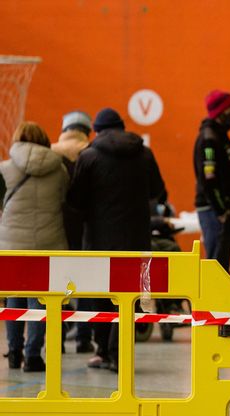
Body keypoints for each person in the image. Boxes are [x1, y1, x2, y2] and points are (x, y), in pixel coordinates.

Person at [67, 108, 166, 371]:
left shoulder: (88, 156)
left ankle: (104, 352)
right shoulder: (144, 153)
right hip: (136, 238)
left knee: (101, 296)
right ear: (122, 127)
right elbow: (158, 190)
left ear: (96, 130)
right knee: (129, 296)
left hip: (99, 240)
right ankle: (118, 352)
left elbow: (74, 200)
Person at [1, 122, 69, 372]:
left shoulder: (5, 169)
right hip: (48, 242)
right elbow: (64, 199)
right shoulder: (59, 169)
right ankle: (33, 356)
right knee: (40, 300)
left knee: (14, 298)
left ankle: (13, 352)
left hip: (11, 245)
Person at [51, 110, 92, 352]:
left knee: (57, 286)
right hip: (86, 228)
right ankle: (83, 339)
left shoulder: (50, 151)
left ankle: (57, 340)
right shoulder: (91, 152)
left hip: (55, 227)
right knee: (84, 284)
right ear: (87, 130)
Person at [194, 90, 230, 272]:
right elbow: (209, 179)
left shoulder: (220, 136)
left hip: (222, 210)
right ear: (220, 112)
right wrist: (221, 211)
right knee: (216, 268)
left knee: (221, 266)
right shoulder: (209, 139)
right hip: (214, 211)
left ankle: (219, 301)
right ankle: (210, 302)